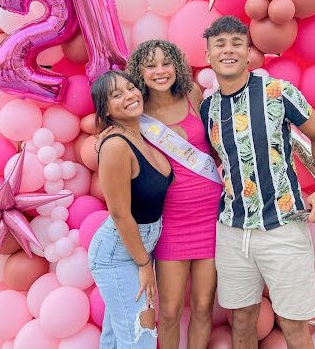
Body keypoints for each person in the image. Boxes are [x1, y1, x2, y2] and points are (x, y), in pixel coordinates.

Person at [200, 16, 315, 349]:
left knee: (292, 324)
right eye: (220, 44)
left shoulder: (278, 91)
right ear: (208, 55)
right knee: (242, 321)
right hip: (232, 231)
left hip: (282, 227)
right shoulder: (207, 109)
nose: (228, 50)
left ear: (248, 53)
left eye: (236, 43)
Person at [128, 40, 222, 349]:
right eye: (151, 65)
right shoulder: (135, 112)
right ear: (139, 72)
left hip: (211, 218)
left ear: (177, 66)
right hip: (171, 223)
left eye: (166, 63)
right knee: (167, 312)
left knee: (203, 306)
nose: (160, 71)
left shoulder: (192, 94)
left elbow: (217, 147)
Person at [88, 70, 173, 348]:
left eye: (130, 88)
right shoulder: (115, 146)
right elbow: (121, 214)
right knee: (141, 339)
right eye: (116, 95)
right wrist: (144, 264)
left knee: (115, 340)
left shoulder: (142, 137)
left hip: (139, 248)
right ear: (106, 111)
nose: (129, 95)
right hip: (119, 253)